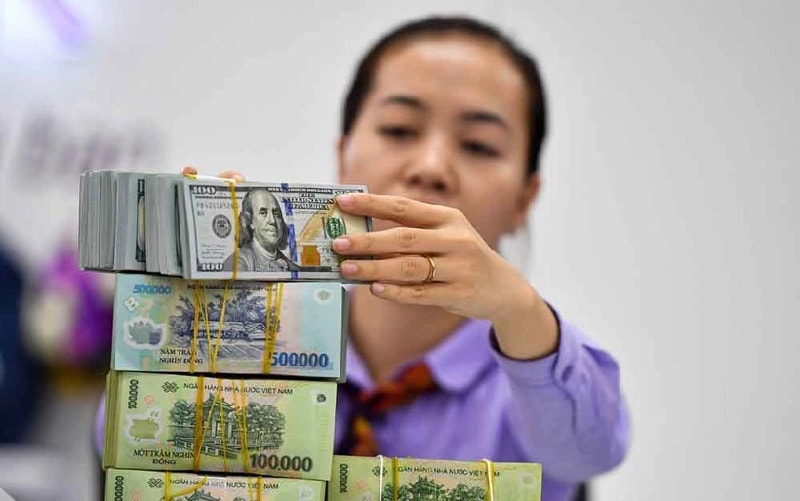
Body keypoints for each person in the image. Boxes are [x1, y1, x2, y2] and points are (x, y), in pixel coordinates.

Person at [97, 14, 630, 501]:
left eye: (479, 145)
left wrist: (518, 310)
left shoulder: (538, 371)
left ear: (524, 200)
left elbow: (592, 450)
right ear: (343, 154)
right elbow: (116, 440)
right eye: (398, 130)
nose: (431, 167)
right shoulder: (260, 332)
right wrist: (197, 327)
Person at [222, 188, 299, 272]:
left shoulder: (293, 268)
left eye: (276, 213)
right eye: (263, 213)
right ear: (250, 221)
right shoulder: (237, 263)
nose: (272, 221)